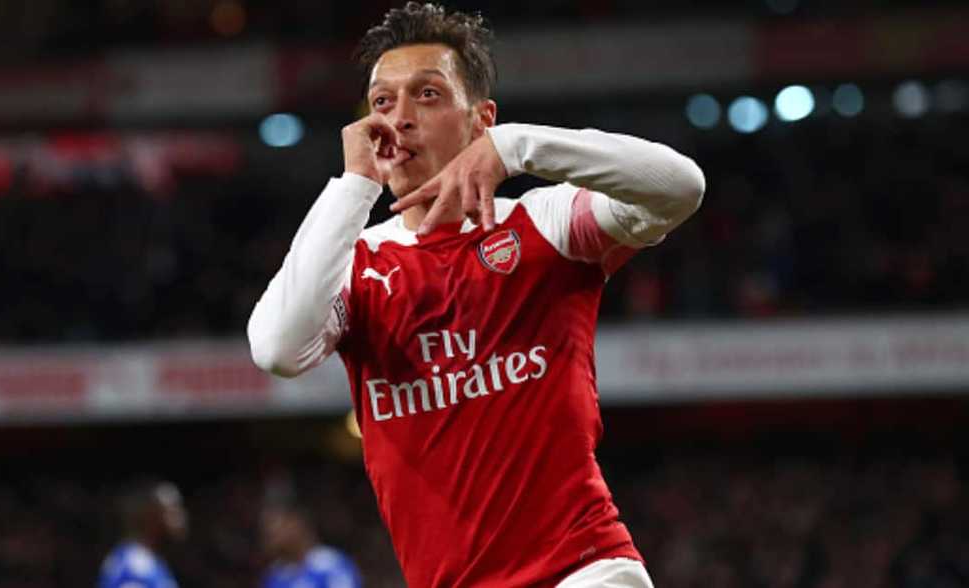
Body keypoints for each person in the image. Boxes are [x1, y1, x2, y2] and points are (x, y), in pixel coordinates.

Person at [248, 2, 704, 586]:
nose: (399, 118)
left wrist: (517, 148)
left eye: (428, 95)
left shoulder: (546, 226)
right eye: (383, 102)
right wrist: (354, 185)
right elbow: (277, 349)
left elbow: (680, 187)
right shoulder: (356, 266)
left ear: (480, 119)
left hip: (583, 571)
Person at [98, 479, 188, 588]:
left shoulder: (148, 561)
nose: (181, 518)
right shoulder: (135, 567)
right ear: (150, 518)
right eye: (172, 510)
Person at [260, 500, 363, 588]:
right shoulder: (275, 575)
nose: (272, 537)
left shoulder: (330, 565)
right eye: (268, 532)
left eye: (277, 529)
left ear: (295, 524)